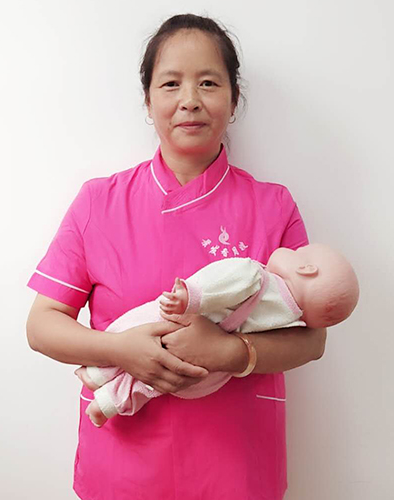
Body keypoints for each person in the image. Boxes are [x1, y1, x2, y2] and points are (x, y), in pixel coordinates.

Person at [26, 13, 327, 500]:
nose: (190, 99)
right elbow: (42, 326)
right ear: (148, 101)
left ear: (233, 98)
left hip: (236, 459)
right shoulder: (99, 202)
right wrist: (119, 351)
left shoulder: (273, 206)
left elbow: (311, 339)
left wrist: (232, 353)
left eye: (208, 82)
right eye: (171, 83)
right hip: (124, 459)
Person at [76, 244, 358, 428]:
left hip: (185, 320)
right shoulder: (288, 321)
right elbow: (303, 344)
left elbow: (220, 281)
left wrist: (190, 296)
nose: (290, 250)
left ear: (307, 269)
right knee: (154, 380)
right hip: (207, 370)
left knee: (137, 327)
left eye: (298, 252)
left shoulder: (257, 275)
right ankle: (108, 403)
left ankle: (99, 373)